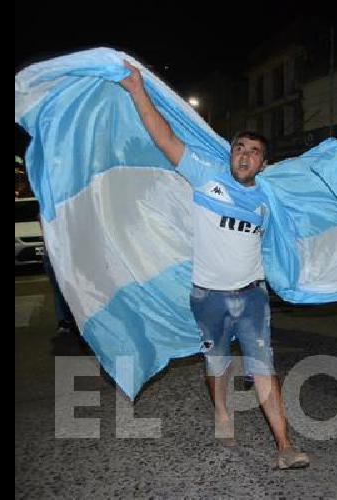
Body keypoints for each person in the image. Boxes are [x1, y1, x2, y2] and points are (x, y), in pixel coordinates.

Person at [120, 61, 309, 469]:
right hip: (207, 297)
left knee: (263, 368)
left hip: (252, 296)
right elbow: (164, 137)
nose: (245, 155)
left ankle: (284, 446)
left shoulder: (268, 199)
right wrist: (137, 90)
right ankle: (222, 412)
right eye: (239, 148)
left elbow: (295, 230)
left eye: (253, 152)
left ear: (262, 164)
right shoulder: (206, 178)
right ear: (231, 154)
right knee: (217, 365)